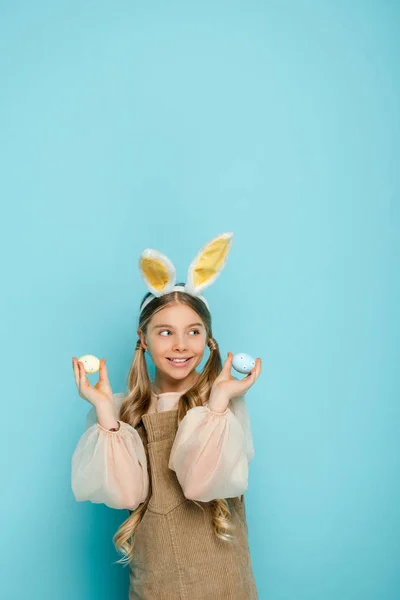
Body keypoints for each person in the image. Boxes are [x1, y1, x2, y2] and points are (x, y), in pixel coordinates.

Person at [71, 232, 262, 599]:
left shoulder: (222, 406)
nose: (180, 344)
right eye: (164, 332)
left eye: (193, 331)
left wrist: (220, 401)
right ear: (143, 338)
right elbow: (127, 494)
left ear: (208, 340)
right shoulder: (125, 411)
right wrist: (105, 412)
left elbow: (198, 485)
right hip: (155, 584)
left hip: (224, 583)